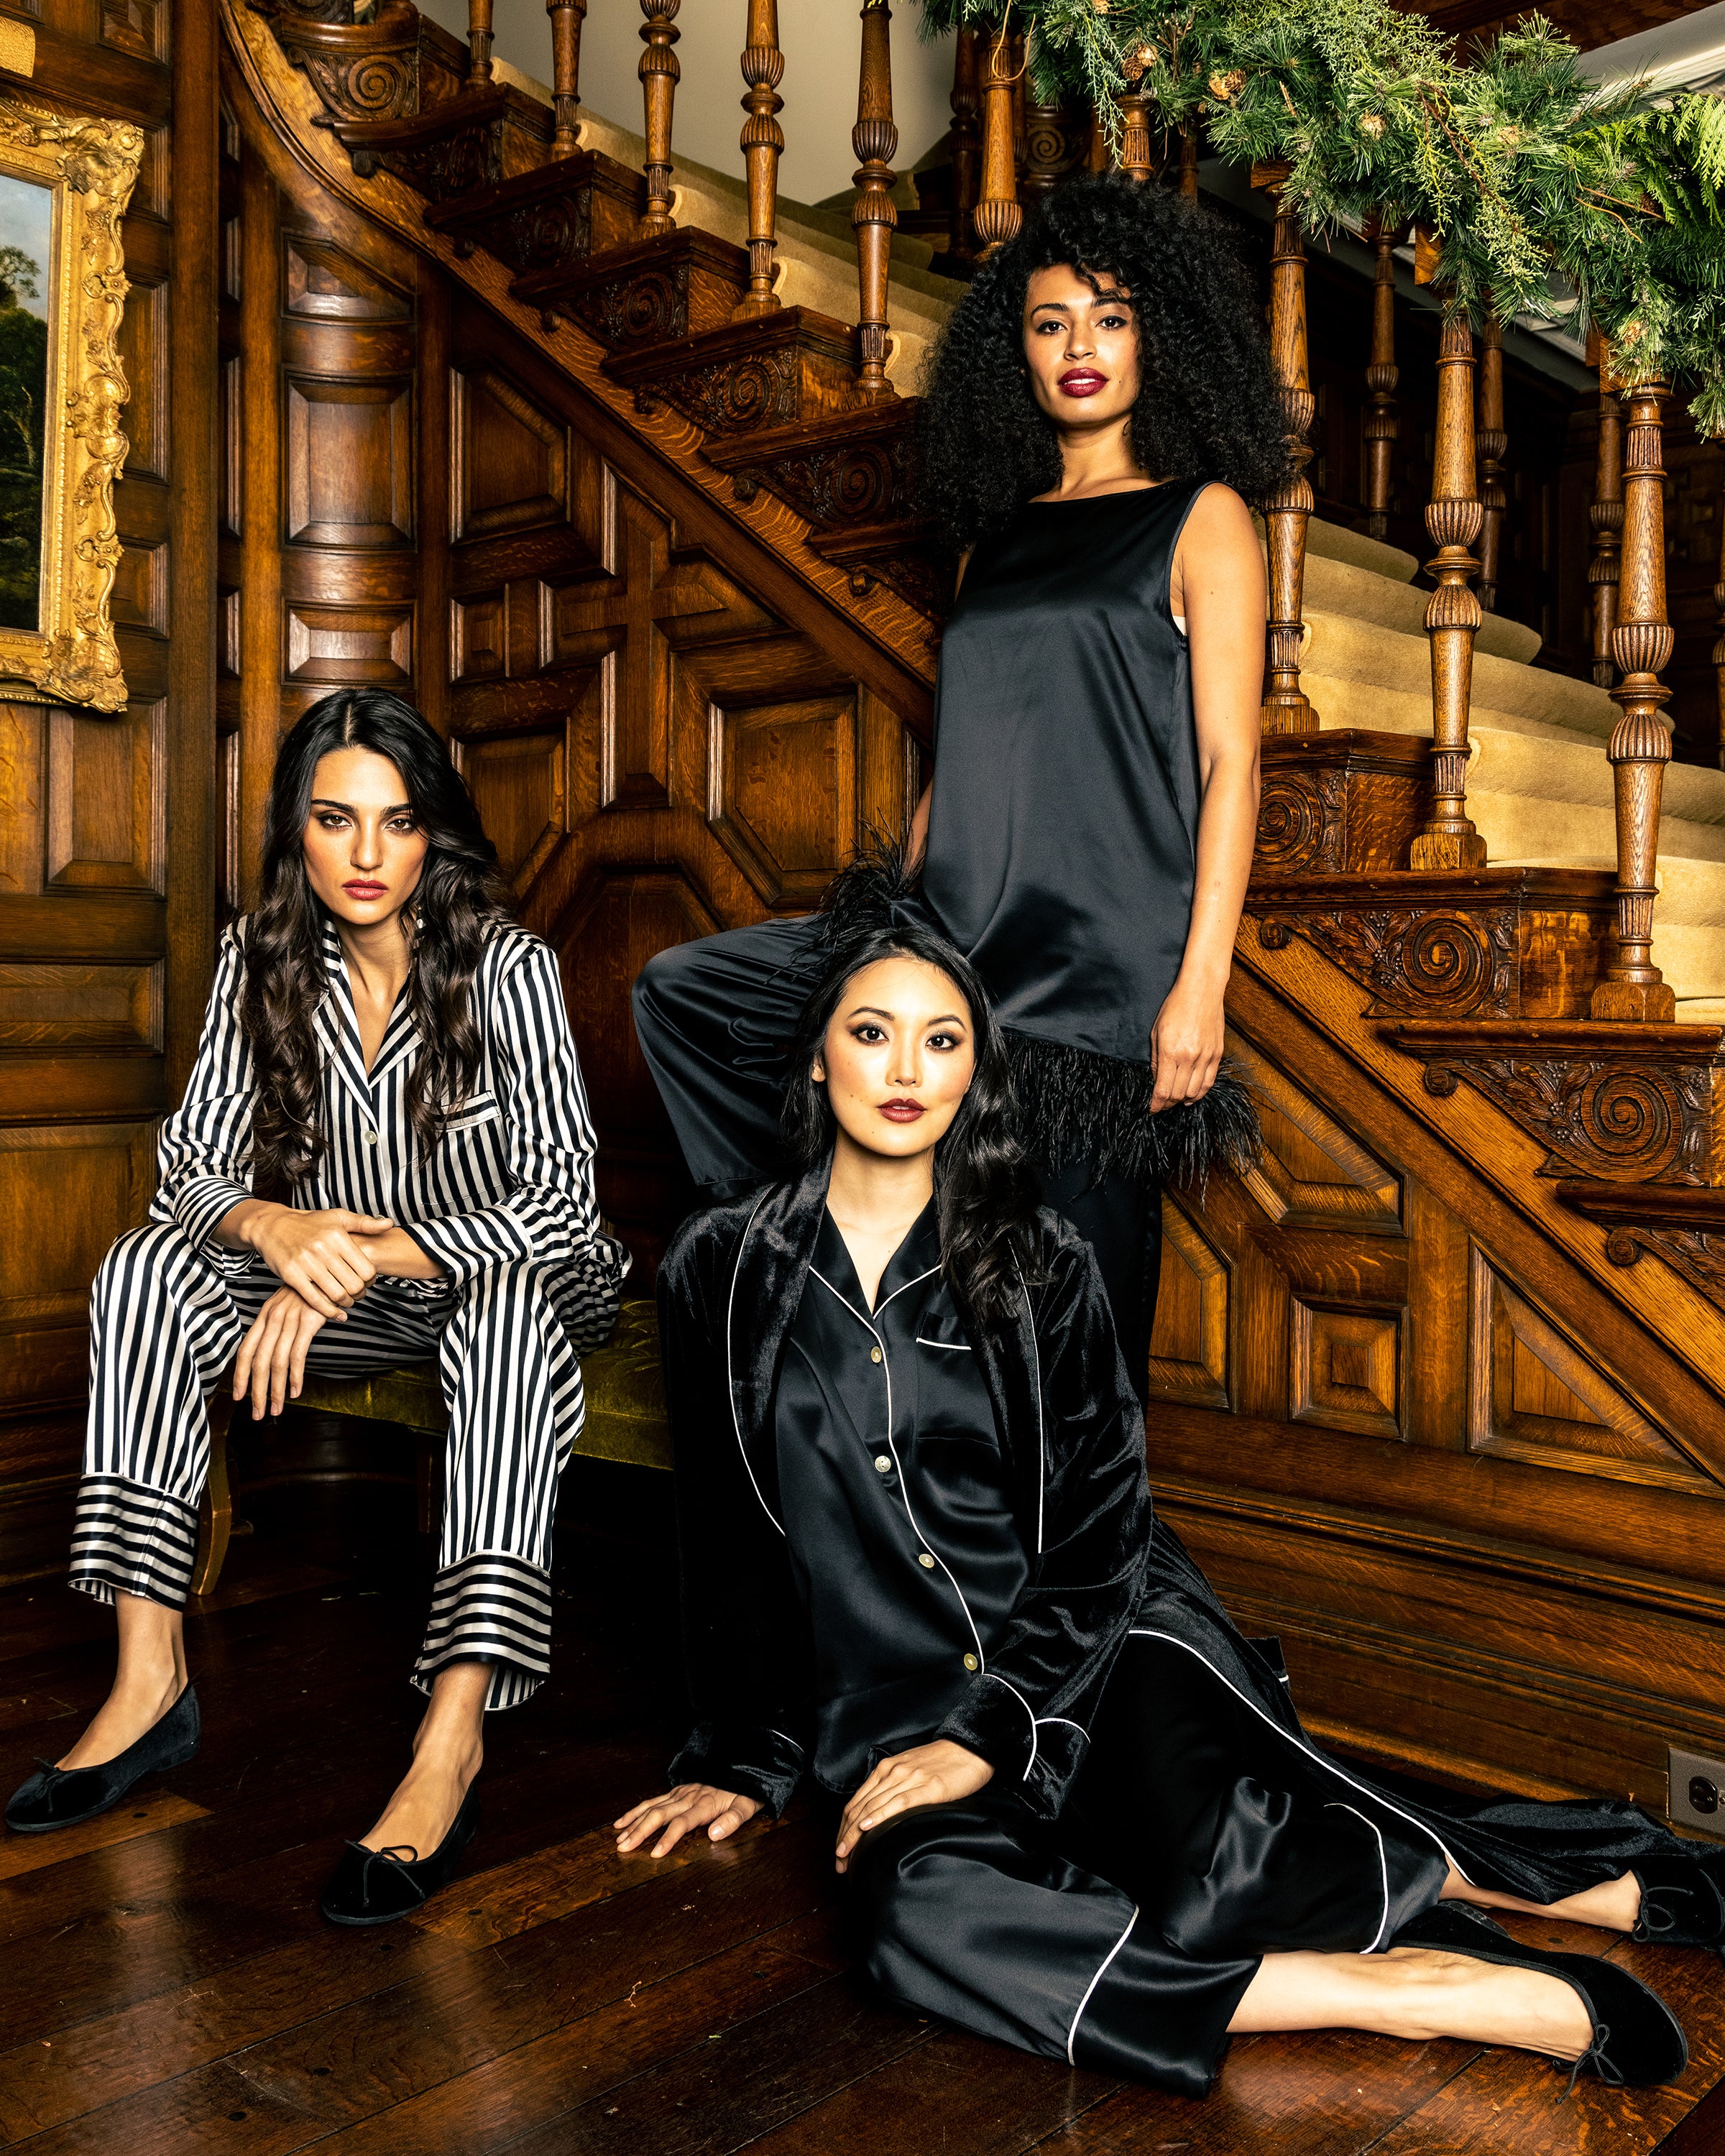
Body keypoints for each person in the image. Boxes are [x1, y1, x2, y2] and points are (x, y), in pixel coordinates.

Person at [615, 909, 1721, 2098]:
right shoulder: (722, 1266)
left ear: (976, 1072)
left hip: (1097, 1656)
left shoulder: (1041, 1260)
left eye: (942, 1041)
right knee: (912, 1921)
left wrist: (988, 1734)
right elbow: (726, 1533)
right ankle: (1401, 1992)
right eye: (872, 1033)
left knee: (1217, 1863)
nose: (905, 1070)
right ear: (816, 1056)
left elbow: (1102, 1537)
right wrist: (745, 1755)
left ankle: (1516, 1883)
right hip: (890, 1714)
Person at [633, 172, 1274, 1393]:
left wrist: (1201, 985)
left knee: (1074, 1363)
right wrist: (888, 918)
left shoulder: (1205, 520)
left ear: (1161, 338)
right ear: (1013, 353)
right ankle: (795, 1256)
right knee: (686, 992)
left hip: (1095, 991)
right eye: (1049, 323)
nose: (1079, 348)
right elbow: (970, 744)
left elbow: (1230, 764)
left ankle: (1077, 1533)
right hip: (954, 958)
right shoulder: (995, 538)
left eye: (1110, 318)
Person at [4, 689, 627, 1927]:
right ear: (298, 828)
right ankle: (147, 1684)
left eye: (397, 823)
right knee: (143, 1266)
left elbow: (563, 1205)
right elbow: (190, 1170)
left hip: (510, 1278)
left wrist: (353, 1256)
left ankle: (451, 1738)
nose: (366, 854)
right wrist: (276, 1235)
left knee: (503, 1310)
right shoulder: (260, 959)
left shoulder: (508, 969)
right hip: (347, 1284)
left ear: (433, 832)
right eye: (336, 820)